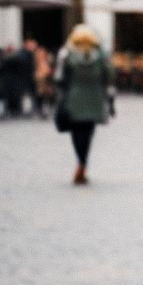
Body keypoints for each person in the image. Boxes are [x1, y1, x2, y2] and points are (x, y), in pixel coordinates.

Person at [53, 23, 112, 185]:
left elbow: (59, 78)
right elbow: (109, 76)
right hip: (95, 99)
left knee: (76, 132)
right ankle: (83, 163)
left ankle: (81, 161)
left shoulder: (66, 54)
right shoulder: (101, 55)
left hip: (74, 98)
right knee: (88, 131)